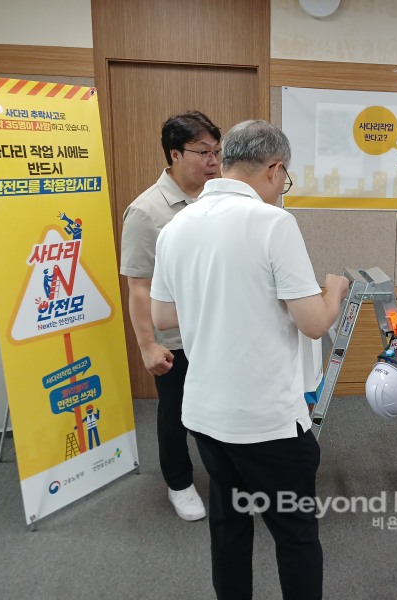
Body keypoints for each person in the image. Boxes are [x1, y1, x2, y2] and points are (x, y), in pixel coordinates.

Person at [150, 119, 350, 600]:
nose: (283, 187)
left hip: (205, 416)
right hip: (267, 423)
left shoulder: (177, 226)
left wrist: (216, 299)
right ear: (275, 169)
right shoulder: (273, 222)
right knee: (295, 536)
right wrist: (335, 289)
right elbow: (314, 323)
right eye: (286, 178)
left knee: (230, 528)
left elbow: (161, 316)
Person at [120, 110, 221, 522]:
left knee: (219, 408)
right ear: (175, 154)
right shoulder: (146, 212)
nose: (214, 161)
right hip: (176, 337)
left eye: (217, 151)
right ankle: (178, 484)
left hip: (217, 331)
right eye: (204, 152)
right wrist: (147, 344)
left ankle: (225, 475)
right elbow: (138, 286)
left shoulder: (220, 198)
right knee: (175, 413)